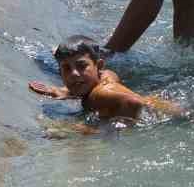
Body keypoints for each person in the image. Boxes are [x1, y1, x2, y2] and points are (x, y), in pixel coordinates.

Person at [29, 36, 180, 123]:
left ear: (98, 65)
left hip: (173, 118)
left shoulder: (99, 94)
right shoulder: (104, 77)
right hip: (170, 106)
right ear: (60, 73)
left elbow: (135, 102)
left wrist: (88, 129)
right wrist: (67, 92)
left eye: (81, 66)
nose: (74, 73)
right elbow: (110, 75)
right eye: (66, 68)